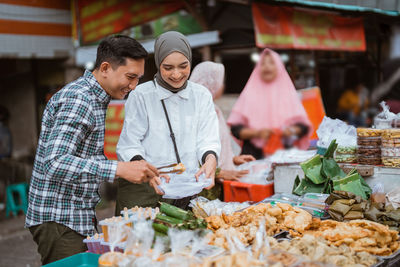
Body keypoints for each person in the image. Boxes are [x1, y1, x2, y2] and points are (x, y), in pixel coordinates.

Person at [25, 35, 161, 265]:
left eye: (138, 78)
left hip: (74, 216)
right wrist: (118, 168)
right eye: (130, 77)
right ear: (106, 68)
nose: (134, 86)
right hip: (60, 218)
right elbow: (55, 162)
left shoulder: (96, 98)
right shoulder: (80, 99)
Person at [115, 31, 220, 212]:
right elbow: (129, 144)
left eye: (183, 66)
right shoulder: (142, 95)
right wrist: (147, 171)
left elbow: (208, 137)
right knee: (138, 238)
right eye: (168, 67)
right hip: (144, 188)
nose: (177, 74)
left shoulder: (201, 95)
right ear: (158, 65)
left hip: (186, 186)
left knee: (182, 238)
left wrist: (210, 159)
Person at [227, 48, 311, 159]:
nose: (266, 66)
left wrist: (290, 131)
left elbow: (303, 127)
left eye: (271, 63)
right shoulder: (249, 94)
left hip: (285, 156)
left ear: (279, 67)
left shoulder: (288, 94)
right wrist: (257, 133)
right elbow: (236, 129)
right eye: (263, 63)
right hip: (253, 156)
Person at [190, 61, 255, 182]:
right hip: (202, 187)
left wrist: (233, 159)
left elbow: (215, 146)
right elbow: (188, 156)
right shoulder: (193, 111)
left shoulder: (213, 109)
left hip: (218, 184)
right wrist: (221, 172)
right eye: (221, 81)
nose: (223, 85)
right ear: (211, 83)